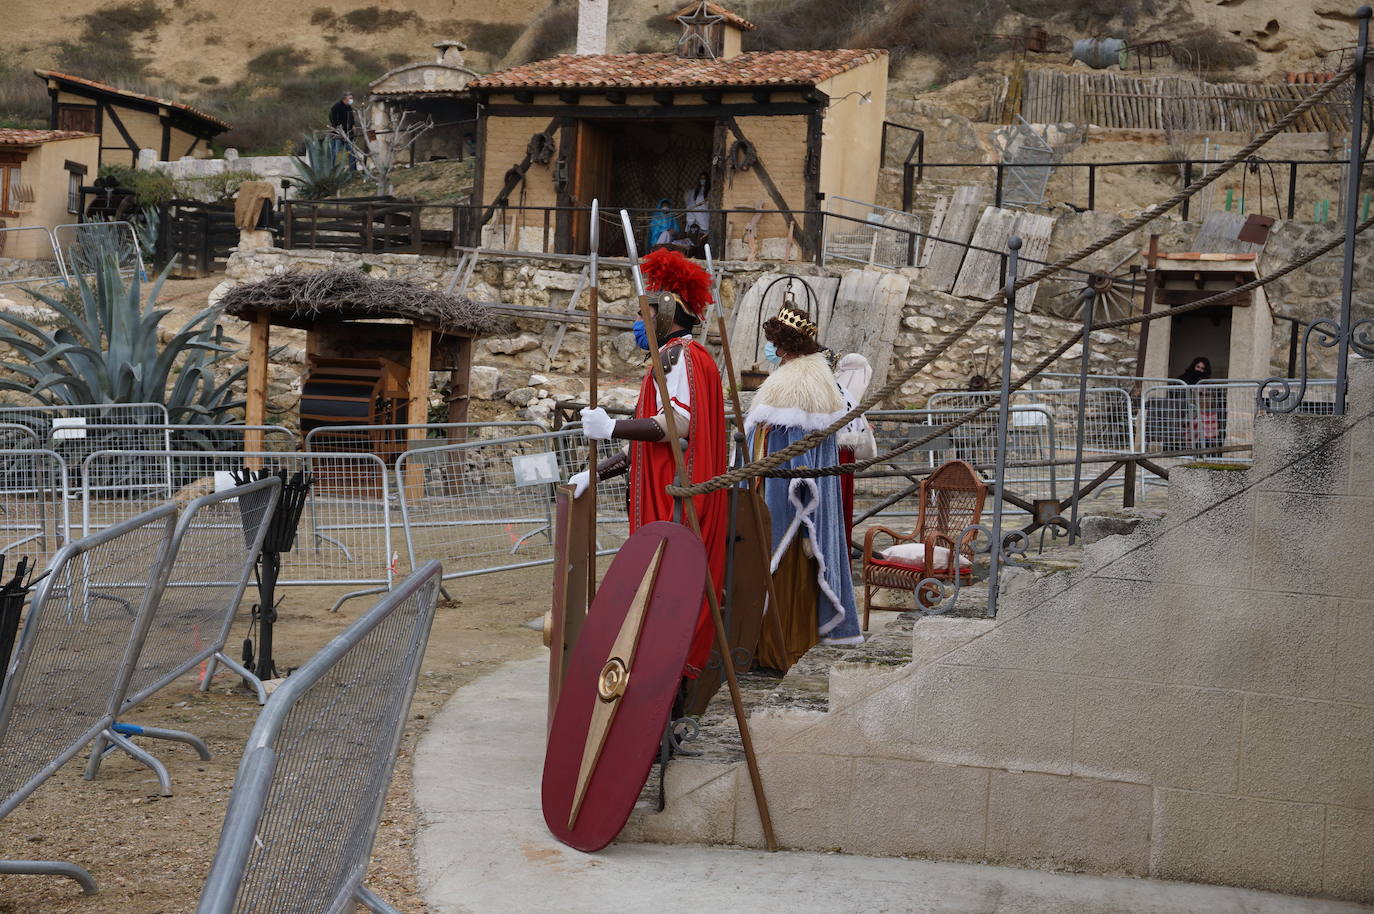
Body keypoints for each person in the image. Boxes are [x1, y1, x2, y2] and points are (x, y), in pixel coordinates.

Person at [570, 249, 727, 682]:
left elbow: (677, 426)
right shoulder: (676, 357)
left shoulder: (679, 357)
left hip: (673, 498)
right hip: (662, 490)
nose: (639, 322)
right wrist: (596, 472)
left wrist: (613, 426)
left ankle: (664, 689)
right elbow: (649, 449)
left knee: (666, 594)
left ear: (668, 311)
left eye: (646, 312)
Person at [746, 305, 863, 673]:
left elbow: (796, 445)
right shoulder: (802, 374)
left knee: (786, 572)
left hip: (790, 503)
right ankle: (776, 646)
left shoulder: (800, 381)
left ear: (782, 345)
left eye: (773, 342)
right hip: (783, 493)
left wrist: (794, 490)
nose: (770, 349)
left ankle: (780, 649)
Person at [833, 353, 878, 544]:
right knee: (839, 506)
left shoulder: (841, 392)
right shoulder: (842, 393)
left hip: (843, 456)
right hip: (838, 457)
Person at [329, 92, 357, 171]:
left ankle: (353, 170)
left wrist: (353, 125)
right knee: (336, 152)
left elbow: (351, 118)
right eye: (350, 98)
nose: (352, 99)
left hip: (349, 133)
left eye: (352, 98)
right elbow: (332, 118)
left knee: (352, 152)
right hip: (338, 134)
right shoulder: (336, 107)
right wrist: (337, 127)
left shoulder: (349, 107)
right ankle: (333, 170)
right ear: (345, 98)